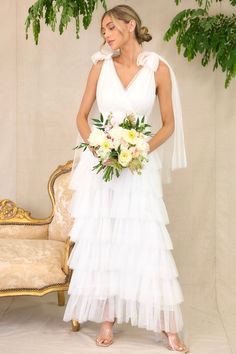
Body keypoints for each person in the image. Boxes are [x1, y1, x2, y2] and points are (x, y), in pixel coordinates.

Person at [63, 4, 189, 353]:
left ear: (130, 25)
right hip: (102, 166)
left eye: (110, 28)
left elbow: (168, 125)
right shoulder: (99, 66)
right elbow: (82, 116)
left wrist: (139, 150)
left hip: (138, 166)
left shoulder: (158, 69)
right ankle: (107, 317)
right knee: (105, 238)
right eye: (103, 31)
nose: (106, 35)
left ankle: (166, 325)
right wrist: (99, 148)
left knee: (145, 239)